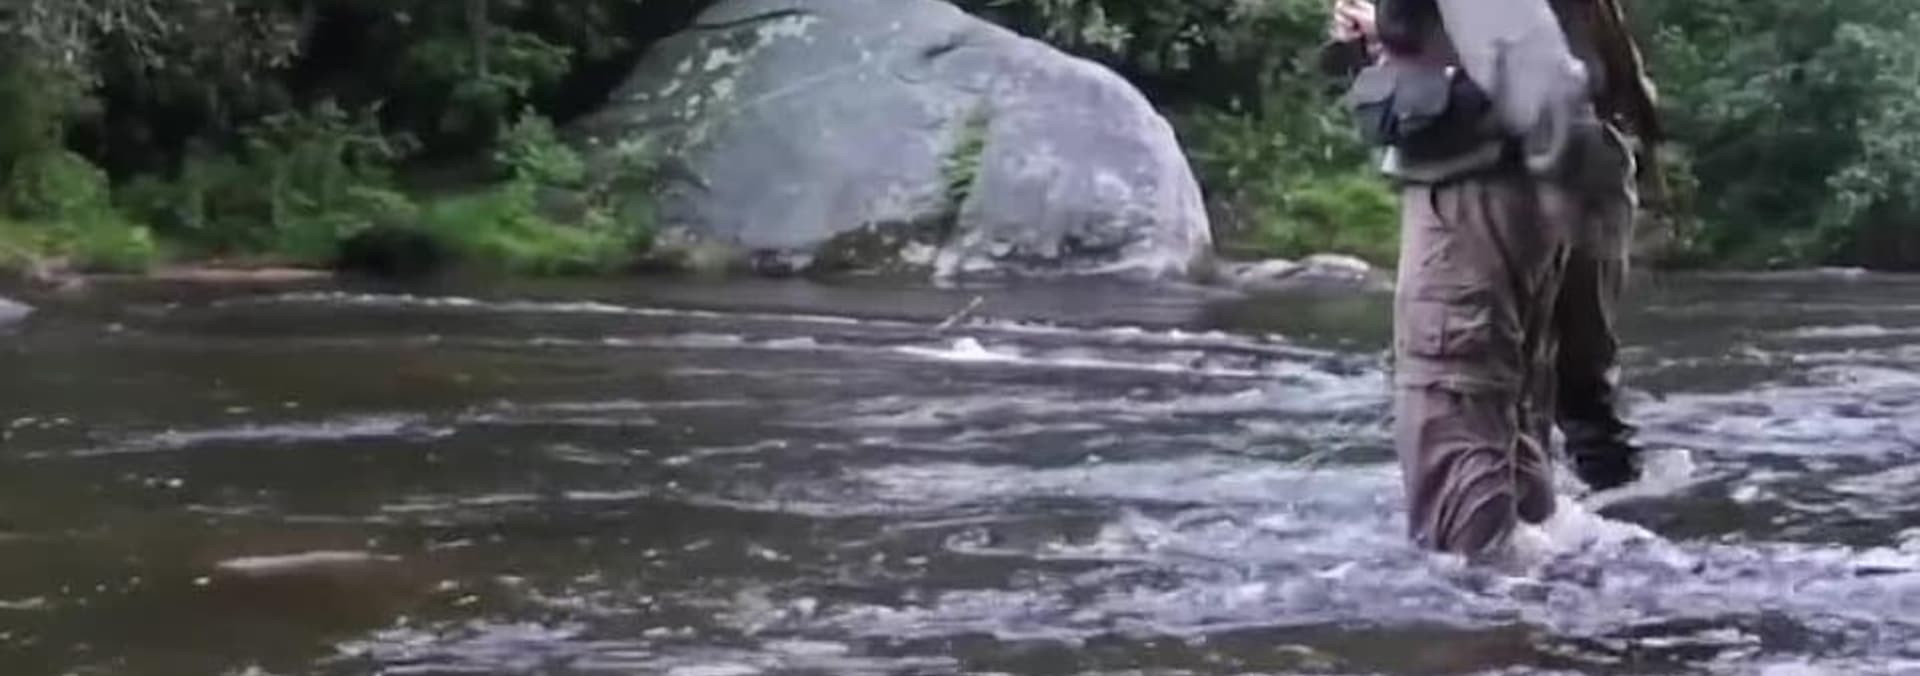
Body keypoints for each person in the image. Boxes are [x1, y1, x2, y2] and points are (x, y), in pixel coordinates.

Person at [1320, 0, 1639, 557]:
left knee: (1455, 419)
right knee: (1511, 433)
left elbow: (1526, 59)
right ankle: (1544, 594)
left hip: (1480, 190)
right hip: (1519, 186)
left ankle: (1489, 607)